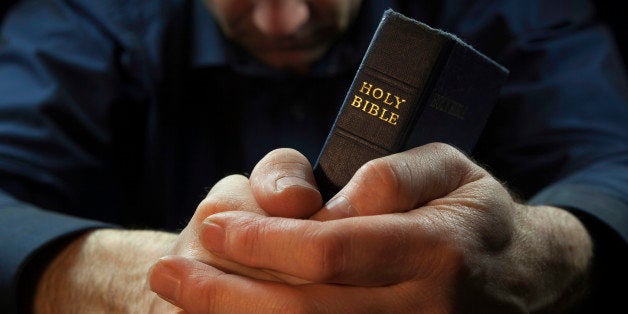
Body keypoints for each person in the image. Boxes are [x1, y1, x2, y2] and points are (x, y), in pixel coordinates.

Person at [0, 0, 626, 312]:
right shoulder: (83, 20)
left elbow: (612, 163)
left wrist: (537, 252)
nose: (283, 20)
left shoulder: (514, 12)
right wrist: (147, 280)